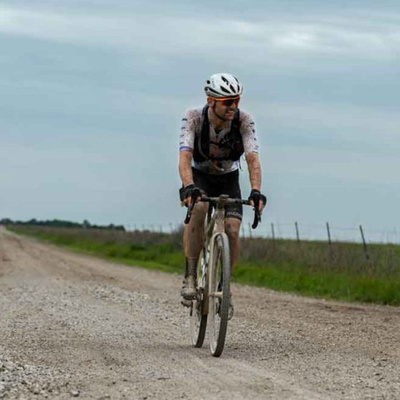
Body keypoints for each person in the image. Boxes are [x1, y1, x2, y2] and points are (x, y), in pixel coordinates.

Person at [178, 73, 266, 316]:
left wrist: (256, 191)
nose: (234, 106)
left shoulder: (244, 121)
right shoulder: (194, 117)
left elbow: (253, 160)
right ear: (211, 100)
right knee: (199, 208)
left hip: (229, 179)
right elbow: (184, 158)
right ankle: (190, 275)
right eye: (228, 101)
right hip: (200, 177)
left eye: (237, 100)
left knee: (233, 228)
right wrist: (188, 186)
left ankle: (223, 286)